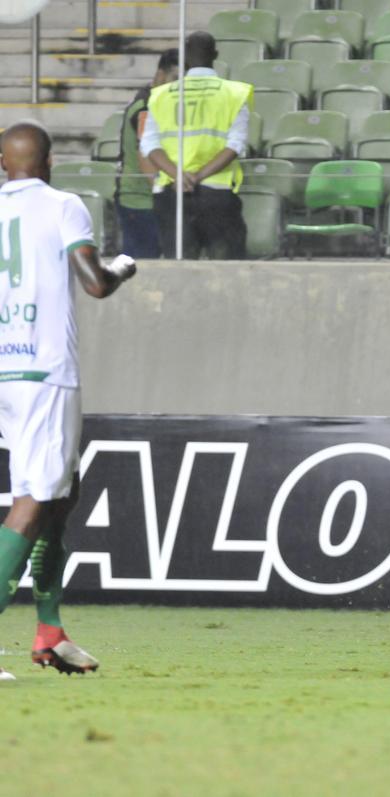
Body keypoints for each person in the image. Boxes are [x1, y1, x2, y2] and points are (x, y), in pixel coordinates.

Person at [0, 122, 136, 680]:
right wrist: (121, 268)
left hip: (5, 368)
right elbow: (95, 283)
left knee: (62, 491)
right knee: (35, 497)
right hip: (44, 370)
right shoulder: (63, 206)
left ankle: (50, 630)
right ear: (50, 160)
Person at [141, 31, 252, 260]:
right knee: (226, 269)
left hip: (173, 192)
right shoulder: (234, 93)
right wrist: (199, 176)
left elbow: (149, 143)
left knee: (179, 269)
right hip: (217, 193)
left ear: (186, 59)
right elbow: (235, 145)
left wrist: (178, 175)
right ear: (215, 55)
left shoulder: (161, 95)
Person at [115, 47, 178, 259]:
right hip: (140, 202)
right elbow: (146, 158)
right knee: (140, 270)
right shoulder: (145, 108)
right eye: (175, 79)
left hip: (152, 201)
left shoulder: (160, 102)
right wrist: (165, 196)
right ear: (160, 75)